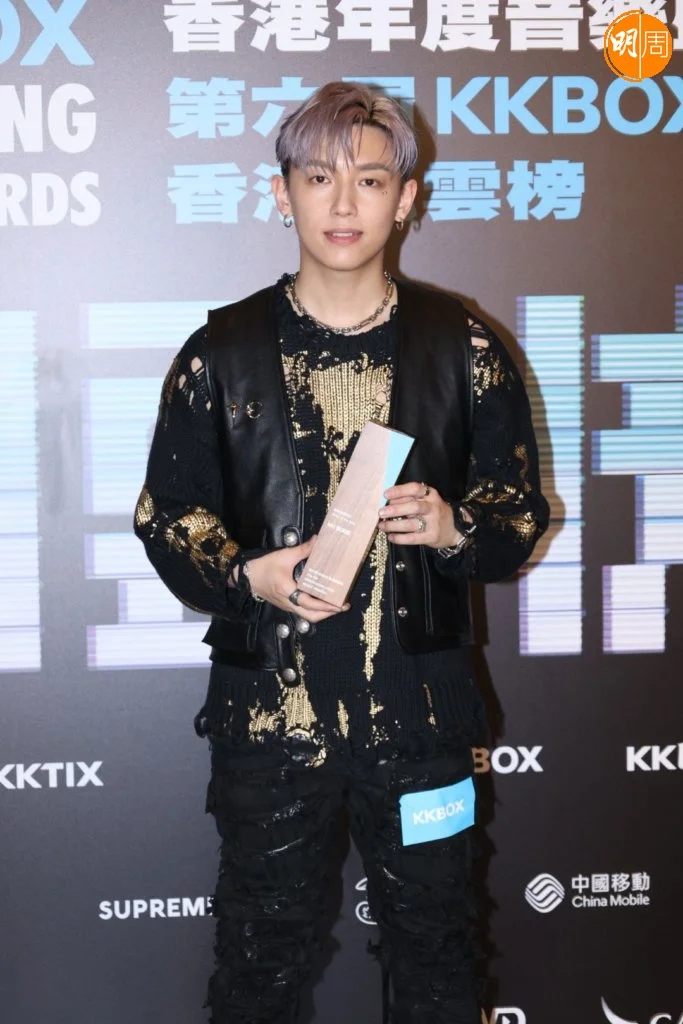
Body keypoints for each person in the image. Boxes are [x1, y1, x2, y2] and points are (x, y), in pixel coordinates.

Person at [134, 81, 549, 1024]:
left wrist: (454, 528)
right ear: (281, 194)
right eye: (318, 177)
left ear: (406, 198)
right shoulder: (220, 351)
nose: (343, 202)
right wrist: (248, 574)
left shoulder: (464, 346)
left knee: (438, 953)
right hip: (269, 718)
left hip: (422, 717)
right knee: (259, 959)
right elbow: (167, 517)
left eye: (369, 178)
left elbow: (517, 512)